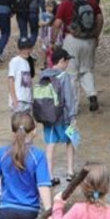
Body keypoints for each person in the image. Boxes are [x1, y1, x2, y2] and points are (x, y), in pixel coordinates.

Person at [51, 0, 104, 112]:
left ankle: (73, 105)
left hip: (72, 40)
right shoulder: (91, 1)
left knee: (72, 73)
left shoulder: (66, 4)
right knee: (87, 69)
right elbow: (99, 18)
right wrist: (96, 35)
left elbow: (57, 24)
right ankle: (92, 95)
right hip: (90, 40)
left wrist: (53, 41)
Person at [35, 48, 76, 185]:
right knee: (70, 142)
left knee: (50, 144)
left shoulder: (43, 75)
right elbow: (69, 98)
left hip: (47, 116)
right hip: (62, 116)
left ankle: (50, 175)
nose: (68, 64)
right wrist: (72, 116)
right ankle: (70, 172)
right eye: (67, 61)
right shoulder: (64, 76)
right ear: (62, 61)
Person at [8, 37, 34, 113]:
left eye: (28, 48)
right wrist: (14, 99)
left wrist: (31, 98)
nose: (26, 51)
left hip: (27, 99)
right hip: (19, 99)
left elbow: (29, 82)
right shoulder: (15, 61)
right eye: (23, 48)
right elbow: (11, 79)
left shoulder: (27, 62)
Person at [39, 0, 60, 67]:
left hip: (53, 35)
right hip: (45, 35)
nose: (48, 8)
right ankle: (45, 63)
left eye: (50, 6)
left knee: (53, 48)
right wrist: (47, 23)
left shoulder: (56, 15)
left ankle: (53, 62)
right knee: (45, 49)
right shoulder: (43, 15)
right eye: (47, 6)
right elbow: (40, 23)